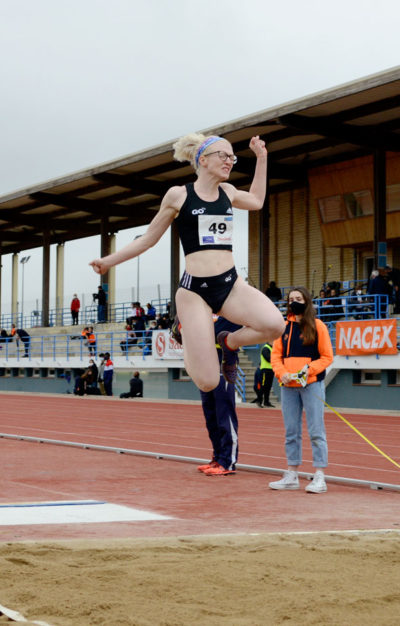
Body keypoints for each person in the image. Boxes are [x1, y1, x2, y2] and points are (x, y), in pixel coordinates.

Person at [89, 132, 284, 393]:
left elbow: (257, 201)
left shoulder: (228, 192)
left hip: (230, 285)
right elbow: (147, 239)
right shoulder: (178, 195)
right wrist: (107, 262)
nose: (229, 161)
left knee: (275, 325)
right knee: (208, 381)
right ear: (203, 160)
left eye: (232, 157)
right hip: (195, 293)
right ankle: (187, 333)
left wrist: (262, 157)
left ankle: (229, 342)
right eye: (223, 155)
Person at [268, 287, 334, 494]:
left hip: (311, 385)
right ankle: (292, 474)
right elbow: (275, 356)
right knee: (291, 431)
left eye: (298, 298)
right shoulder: (282, 327)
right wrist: (282, 374)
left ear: (306, 301)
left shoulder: (318, 325)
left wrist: (309, 370)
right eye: (291, 299)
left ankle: (319, 475)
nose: (294, 302)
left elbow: (327, 357)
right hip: (288, 386)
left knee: (316, 431)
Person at [196, 373, 239, 476]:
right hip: (206, 374)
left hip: (223, 372)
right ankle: (218, 458)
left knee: (225, 416)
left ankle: (227, 463)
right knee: (211, 420)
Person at [251, 341, 274, 408]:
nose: (274, 342)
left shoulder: (271, 348)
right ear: (269, 341)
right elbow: (268, 358)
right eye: (273, 341)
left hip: (271, 370)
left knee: (268, 387)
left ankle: (266, 402)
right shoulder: (265, 348)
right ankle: (259, 400)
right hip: (265, 370)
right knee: (263, 386)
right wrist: (276, 358)